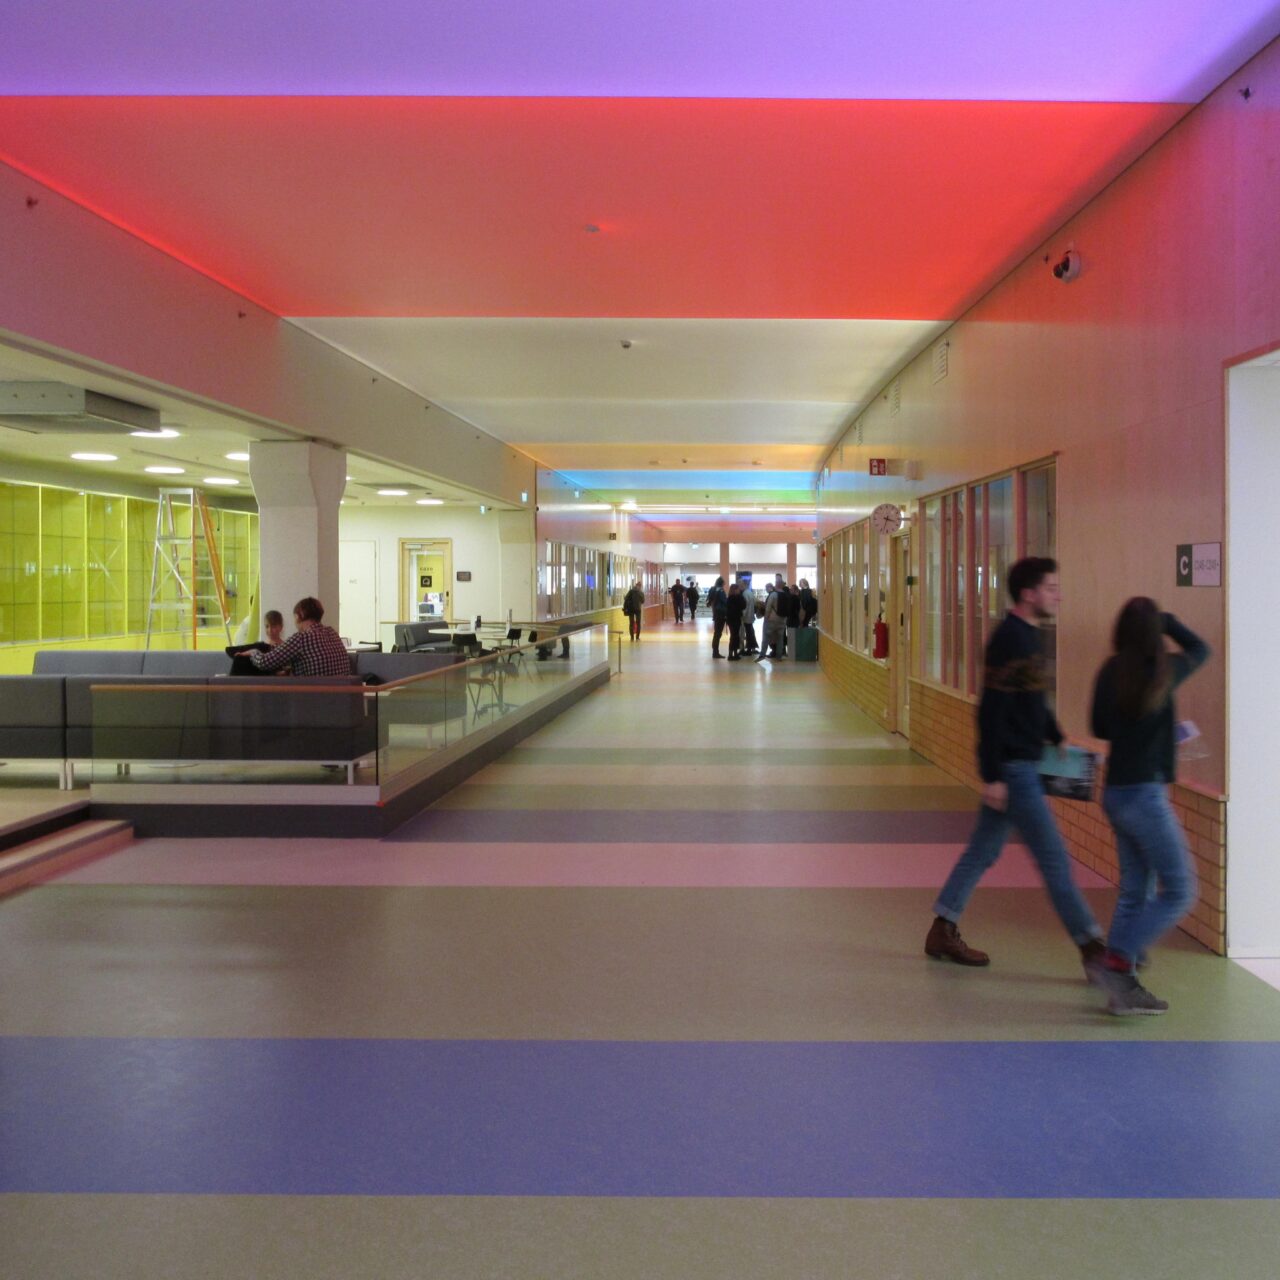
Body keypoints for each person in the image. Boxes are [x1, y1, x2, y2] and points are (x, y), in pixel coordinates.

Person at [925, 557, 1105, 971]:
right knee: (1055, 859)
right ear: (1028, 594)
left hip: (1022, 762)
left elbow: (1031, 698)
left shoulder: (1027, 636)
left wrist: (1055, 733)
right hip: (1015, 769)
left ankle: (943, 927)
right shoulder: (1010, 639)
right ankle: (1093, 949)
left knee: (983, 851)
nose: (1059, 596)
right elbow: (991, 711)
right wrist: (993, 775)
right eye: (1051, 588)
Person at [1087, 600, 1209, 1015]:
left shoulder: (1110, 670)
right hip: (1146, 797)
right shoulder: (1164, 669)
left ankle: (1123, 987)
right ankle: (1118, 960)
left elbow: (1099, 728)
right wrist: (1169, 621)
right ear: (1155, 632)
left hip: (1116, 793)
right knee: (1180, 891)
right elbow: (1201, 649)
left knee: (1135, 889)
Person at [249, 596, 351, 677]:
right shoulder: (332, 632)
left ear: (298, 616)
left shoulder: (302, 638)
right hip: (342, 694)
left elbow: (264, 662)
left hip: (312, 695)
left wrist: (253, 652)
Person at [757, 581, 786, 661]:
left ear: (776, 586)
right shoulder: (786, 595)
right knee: (780, 639)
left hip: (772, 619)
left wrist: (766, 618)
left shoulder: (773, 595)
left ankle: (762, 655)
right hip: (782, 619)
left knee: (766, 637)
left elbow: (768, 607)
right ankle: (779, 656)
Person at [707, 576, 729, 659]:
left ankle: (715, 651)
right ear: (722, 583)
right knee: (718, 633)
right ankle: (715, 652)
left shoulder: (712, 589)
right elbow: (725, 601)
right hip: (721, 613)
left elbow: (709, 601)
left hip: (716, 613)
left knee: (716, 633)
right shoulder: (721, 591)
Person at [725, 582, 746, 660]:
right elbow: (744, 605)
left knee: (733, 636)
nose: (739, 590)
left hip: (730, 620)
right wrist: (740, 596)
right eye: (738, 589)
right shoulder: (738, 598)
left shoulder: (729, 598)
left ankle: (731, 654)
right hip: (736, 619)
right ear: (735, 590)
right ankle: (734, 654)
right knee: (735, 636)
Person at [739, 576, 758, 654]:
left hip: (746, 617)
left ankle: (748, 649)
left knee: (746, 633)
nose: (740, 586)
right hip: (750, 617)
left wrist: (742, 616)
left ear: (744, 584)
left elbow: (745, 607)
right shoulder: (750, 593)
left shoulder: (745, 594)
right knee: (750, 632)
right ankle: (751, 648)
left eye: (741, 584)